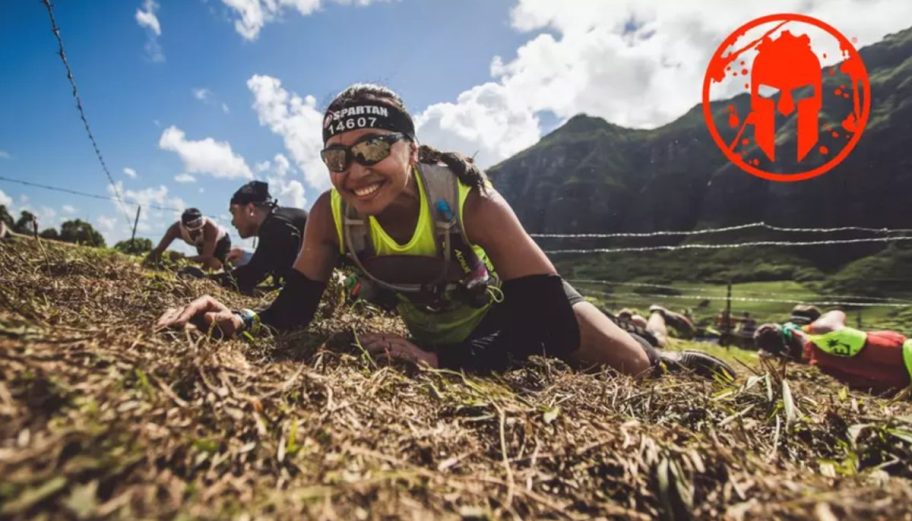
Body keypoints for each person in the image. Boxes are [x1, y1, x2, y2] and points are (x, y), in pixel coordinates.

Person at [156, 83, 732, 379]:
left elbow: (544, 319)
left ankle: (659, 345)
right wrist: (237, 319)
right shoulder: (332, 213)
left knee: (631, 365)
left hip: (516, 309)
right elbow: (293, 311)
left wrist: (442, 362)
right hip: (452, 328)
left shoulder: (469, 199)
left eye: (374, 148)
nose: (355, 173)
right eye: (337, 157)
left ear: (409, 147)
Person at [754, 309, 912, 394]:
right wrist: (807, 328)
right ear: (795, 333)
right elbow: (836, 314)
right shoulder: (830, 340)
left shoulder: (820, 367)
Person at [212, 181, 308, 294]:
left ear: (250, 210)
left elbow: (252, 275)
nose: (232, 222)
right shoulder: (278, 221)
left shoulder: (277, 226)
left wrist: (207, 279)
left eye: (234, 213)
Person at [145, 208, 231, 270]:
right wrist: (148, 261)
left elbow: (206, 256)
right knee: (203, 267)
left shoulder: (210, 228)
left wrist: (182, 260)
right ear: (184, 227)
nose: (200, 230)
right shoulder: (175, 230)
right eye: (195, 229)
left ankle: (224, 269)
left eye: (201, 226)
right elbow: (160, 249)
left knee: (213, 264)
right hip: (202, 245)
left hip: (221, 242)